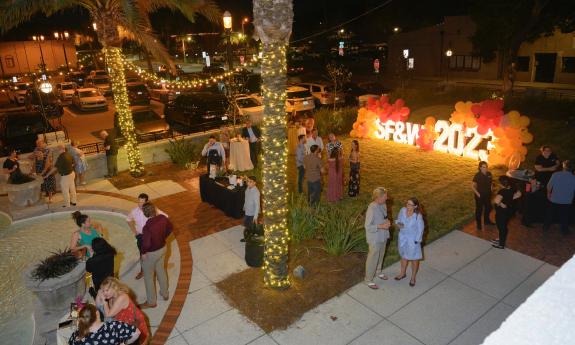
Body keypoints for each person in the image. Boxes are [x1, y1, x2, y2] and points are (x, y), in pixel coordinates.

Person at [96, 277, 150, 345]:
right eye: (103, 291)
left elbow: (108, 314)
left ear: (114, 288)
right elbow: (98, 305)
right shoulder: (111, 297)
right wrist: (99, 293)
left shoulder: (122, 297)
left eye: (107, 290)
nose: (105, 293)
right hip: (125, 325)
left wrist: (104, 301)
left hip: (134, 324)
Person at [126, 193, 168, 280]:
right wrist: (135, 232)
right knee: (142, 254)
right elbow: (128, 220)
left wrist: (159, 232)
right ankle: (143, 271)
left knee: (153, 253)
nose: (140, 204)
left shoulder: (152, 210)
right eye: (139, 202)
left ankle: (155, 270)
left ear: (147, 202)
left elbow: (165, 217)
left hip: (152, 236)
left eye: (142, 202)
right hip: (141, 236)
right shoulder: (134, 211)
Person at [140, 202, 172, 309]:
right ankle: (165, 293)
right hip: (163, 248)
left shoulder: (147, 227)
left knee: (148, 277)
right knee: (161, 270)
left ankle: (151, 302)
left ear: (145, 213)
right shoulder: (163, 218)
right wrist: (162, 238)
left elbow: (146, 244)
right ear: (154, 210)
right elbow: (169, 229)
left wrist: (143, 253)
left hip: (152, 253)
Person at [68, 303, 140, 345]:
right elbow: (137, 332)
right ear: (97, 313)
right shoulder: (113, 327)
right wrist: (125, 342)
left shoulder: (77, 335)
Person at [364, 187, 391, 289]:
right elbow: (367, 226)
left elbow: (384, 216)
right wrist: (381, 226)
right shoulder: (371, 208)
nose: (387, 198)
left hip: (383, 235)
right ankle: (368, 279)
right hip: (375, 237)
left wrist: (388, 221)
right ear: (378, 197)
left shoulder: (383, 204)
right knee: (373, 257)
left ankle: (378, 271)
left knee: (381, 254)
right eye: (385, 196)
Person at [395, 197, 425, 287]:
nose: (407, 206)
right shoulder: (402, 210)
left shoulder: (418, 216)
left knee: (414, 258)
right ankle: (402, 273)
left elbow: (421, 229)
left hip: (412, 240)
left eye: (410, 204)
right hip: (403, 237)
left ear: (415, 206)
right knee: (403, 256)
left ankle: (413, 277)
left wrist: (416, 241)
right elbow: (398, 220)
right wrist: (399, 225)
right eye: (407, 203)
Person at [544, 160, 575, 234]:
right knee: (565, 216)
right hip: (567, 200)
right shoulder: (574, 178)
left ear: (564, 166)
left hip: (554, 199)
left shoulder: (556, 174)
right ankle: (564, 230)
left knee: (550, 214)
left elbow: (549, 186)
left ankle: (545, 227)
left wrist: (548, 194)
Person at [491, 176, 522, 249]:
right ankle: (500, 239)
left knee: (501, 228)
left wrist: (501, 204)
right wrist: (511, 198)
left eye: (499, 182)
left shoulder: (502, 191)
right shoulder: (512, 188)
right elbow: (519, 194)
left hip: (501, 213)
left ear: (502, 184)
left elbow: (496, 201)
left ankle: (501, 244)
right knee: (504, 226)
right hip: (509, 212)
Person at [472, 161, 494, 230]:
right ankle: (479, 225)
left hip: (488, 195)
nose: (485, 168)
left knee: (488, 208)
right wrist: (478, 194)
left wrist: (491, 189)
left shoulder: (489, 174)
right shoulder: (477, 175)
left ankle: (486, 221)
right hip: (480, 196)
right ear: (480, 168)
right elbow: (473, 186)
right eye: (483, 167)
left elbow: (491, 183)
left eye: (486, 167)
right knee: (479, 210)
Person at [243, 176, 260, 240]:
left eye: (251, 182)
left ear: (254, 183)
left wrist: (255, 217)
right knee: (246, 225)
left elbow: (257, 205)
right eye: (248, 181)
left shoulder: (256, 192)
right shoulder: (248, 188)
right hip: (247, 211)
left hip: (252, 214)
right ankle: (247, 238)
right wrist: (244, 206)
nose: (248, 183)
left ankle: (250, 240)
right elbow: (246, 198)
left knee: (251, 228)